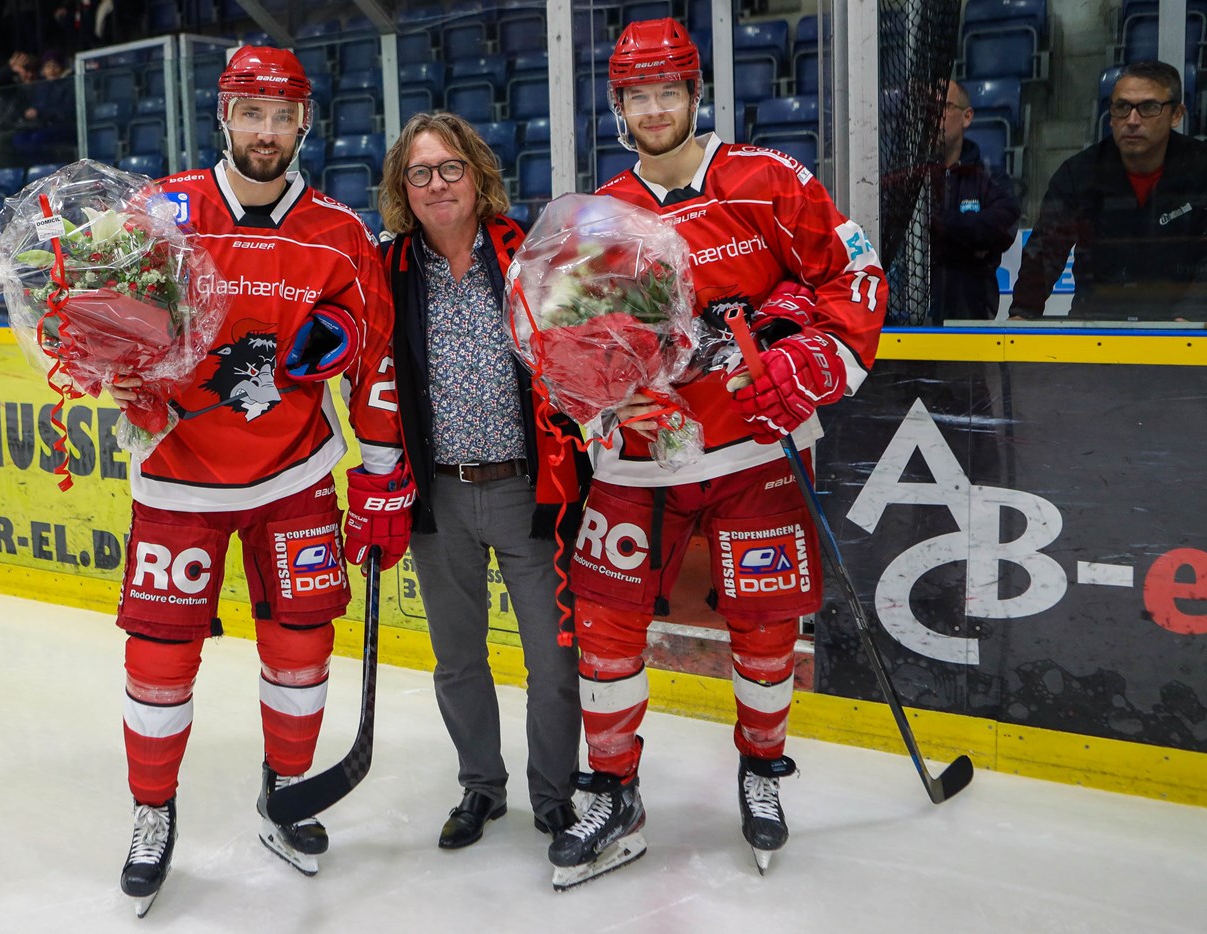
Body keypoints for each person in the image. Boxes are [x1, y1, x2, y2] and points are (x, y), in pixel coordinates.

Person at [546, 18, 885, 886]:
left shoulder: (769, 182)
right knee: (606, 628)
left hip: (752, 457)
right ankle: (612, 788)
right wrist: (607, 401)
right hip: (639, 464)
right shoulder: (603, 214)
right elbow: (570, 351)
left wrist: (804, 364)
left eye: (669, 92)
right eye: (637, 96)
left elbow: (854, 281)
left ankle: (763, 767)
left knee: (767, 629)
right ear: (618, 106)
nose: (655, 110)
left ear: (697, 95)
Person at [104, 46, 412, 910]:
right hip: (178, 480)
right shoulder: (161, 213)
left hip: (294, 475)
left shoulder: (343, 237)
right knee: (158, 662)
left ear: (304, 122)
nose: (266, 132)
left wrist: (380, 482)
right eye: (252, 113)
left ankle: (285, 792)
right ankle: (152, 812)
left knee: (303, 651)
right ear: (225, 117)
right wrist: (116, 373)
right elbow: (102, 323)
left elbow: (374, 369)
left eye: (283, 116)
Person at [378, 112, 589, 852]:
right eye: (420, 172)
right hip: (435, 497)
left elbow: (583, 355)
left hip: (527, 494)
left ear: (477, 175)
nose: (437, 184)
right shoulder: (389, 267)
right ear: (403, 188)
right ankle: (481, 788)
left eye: (450, 168)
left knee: (553, 663)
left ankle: (556, 796)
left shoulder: (529, 253)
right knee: (459, 659)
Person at [1010, 60, 1207, 322]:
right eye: (1122, 107)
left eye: (1149, 107)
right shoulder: (1078, 173)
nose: (1132, 120)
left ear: (1176, 114)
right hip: (1096, 326)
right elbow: (1045, 250)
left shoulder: (1201, 167)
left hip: (1181, 327)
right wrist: (1022, 314)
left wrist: (1192, 315)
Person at [929, 78, 1019, 324]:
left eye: (944, 107)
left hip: (971, 319)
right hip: (912, 324)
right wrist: (968, 241)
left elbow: (1000, 229)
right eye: (928, 109)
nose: (934, 116)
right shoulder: (909, 179)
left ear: (966, 117)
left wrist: (938, 225)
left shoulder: (991, 176)